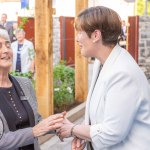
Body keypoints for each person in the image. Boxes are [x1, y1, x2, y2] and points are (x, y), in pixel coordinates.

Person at [58, 6, 150, 150]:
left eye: (80, 32)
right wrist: (83, 134)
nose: (77, 39)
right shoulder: (101, 63)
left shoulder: (123, 73)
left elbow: (111, 133)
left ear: (95, 35)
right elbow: (98, 114)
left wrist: (72, 129)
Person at [0, 28, 65, 149]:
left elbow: (35, 119)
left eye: (8, 46)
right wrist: (33, 132)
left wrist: (57, 125)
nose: (5, 50)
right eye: (0, 46)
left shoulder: (25, 84)